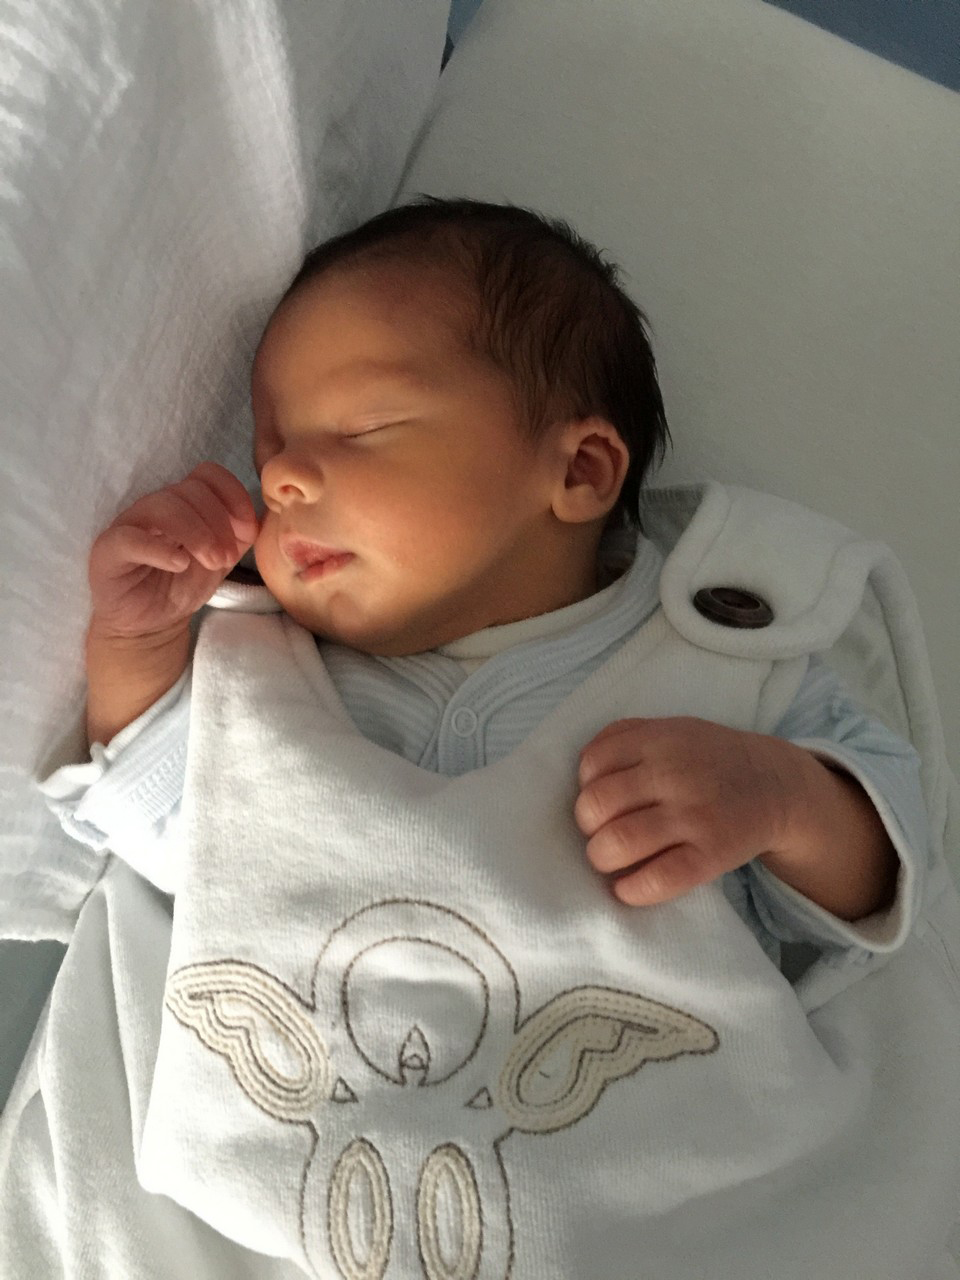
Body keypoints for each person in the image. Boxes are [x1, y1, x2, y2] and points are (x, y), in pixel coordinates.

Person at [37, 197, 930, 1276]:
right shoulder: (266, 678)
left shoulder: (719, 656)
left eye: (361, 430)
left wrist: (781, 797)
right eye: (271, 446)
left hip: (657, 1218)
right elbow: (166, 829)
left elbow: (884, 872)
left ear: (580, 472)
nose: (281, 478)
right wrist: (135, 643)